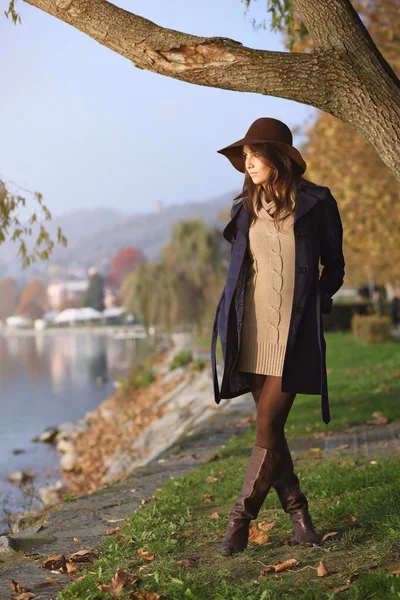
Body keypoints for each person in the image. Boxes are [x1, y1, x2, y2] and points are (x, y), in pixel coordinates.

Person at [210, 117, 345, 556]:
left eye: (254, 154)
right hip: (250, 329)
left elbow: (335, 267)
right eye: (244, 156)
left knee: (268, 426)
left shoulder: (317, 202)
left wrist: (318, 302)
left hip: (294, 331)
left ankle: (239, 521)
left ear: (278, 157)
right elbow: (240, 271)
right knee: (273, 433)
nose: (247, 163)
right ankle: (300, 516)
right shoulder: (243, 207)